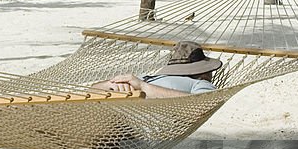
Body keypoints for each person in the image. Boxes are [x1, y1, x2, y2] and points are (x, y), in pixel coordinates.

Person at [91, 41, 222, 98]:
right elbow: (92, 89)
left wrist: (143, 87)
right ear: (204, 72)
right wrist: (110, 84)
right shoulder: (147, 77)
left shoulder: (144, 81)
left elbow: (200, 104)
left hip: (126, 132)